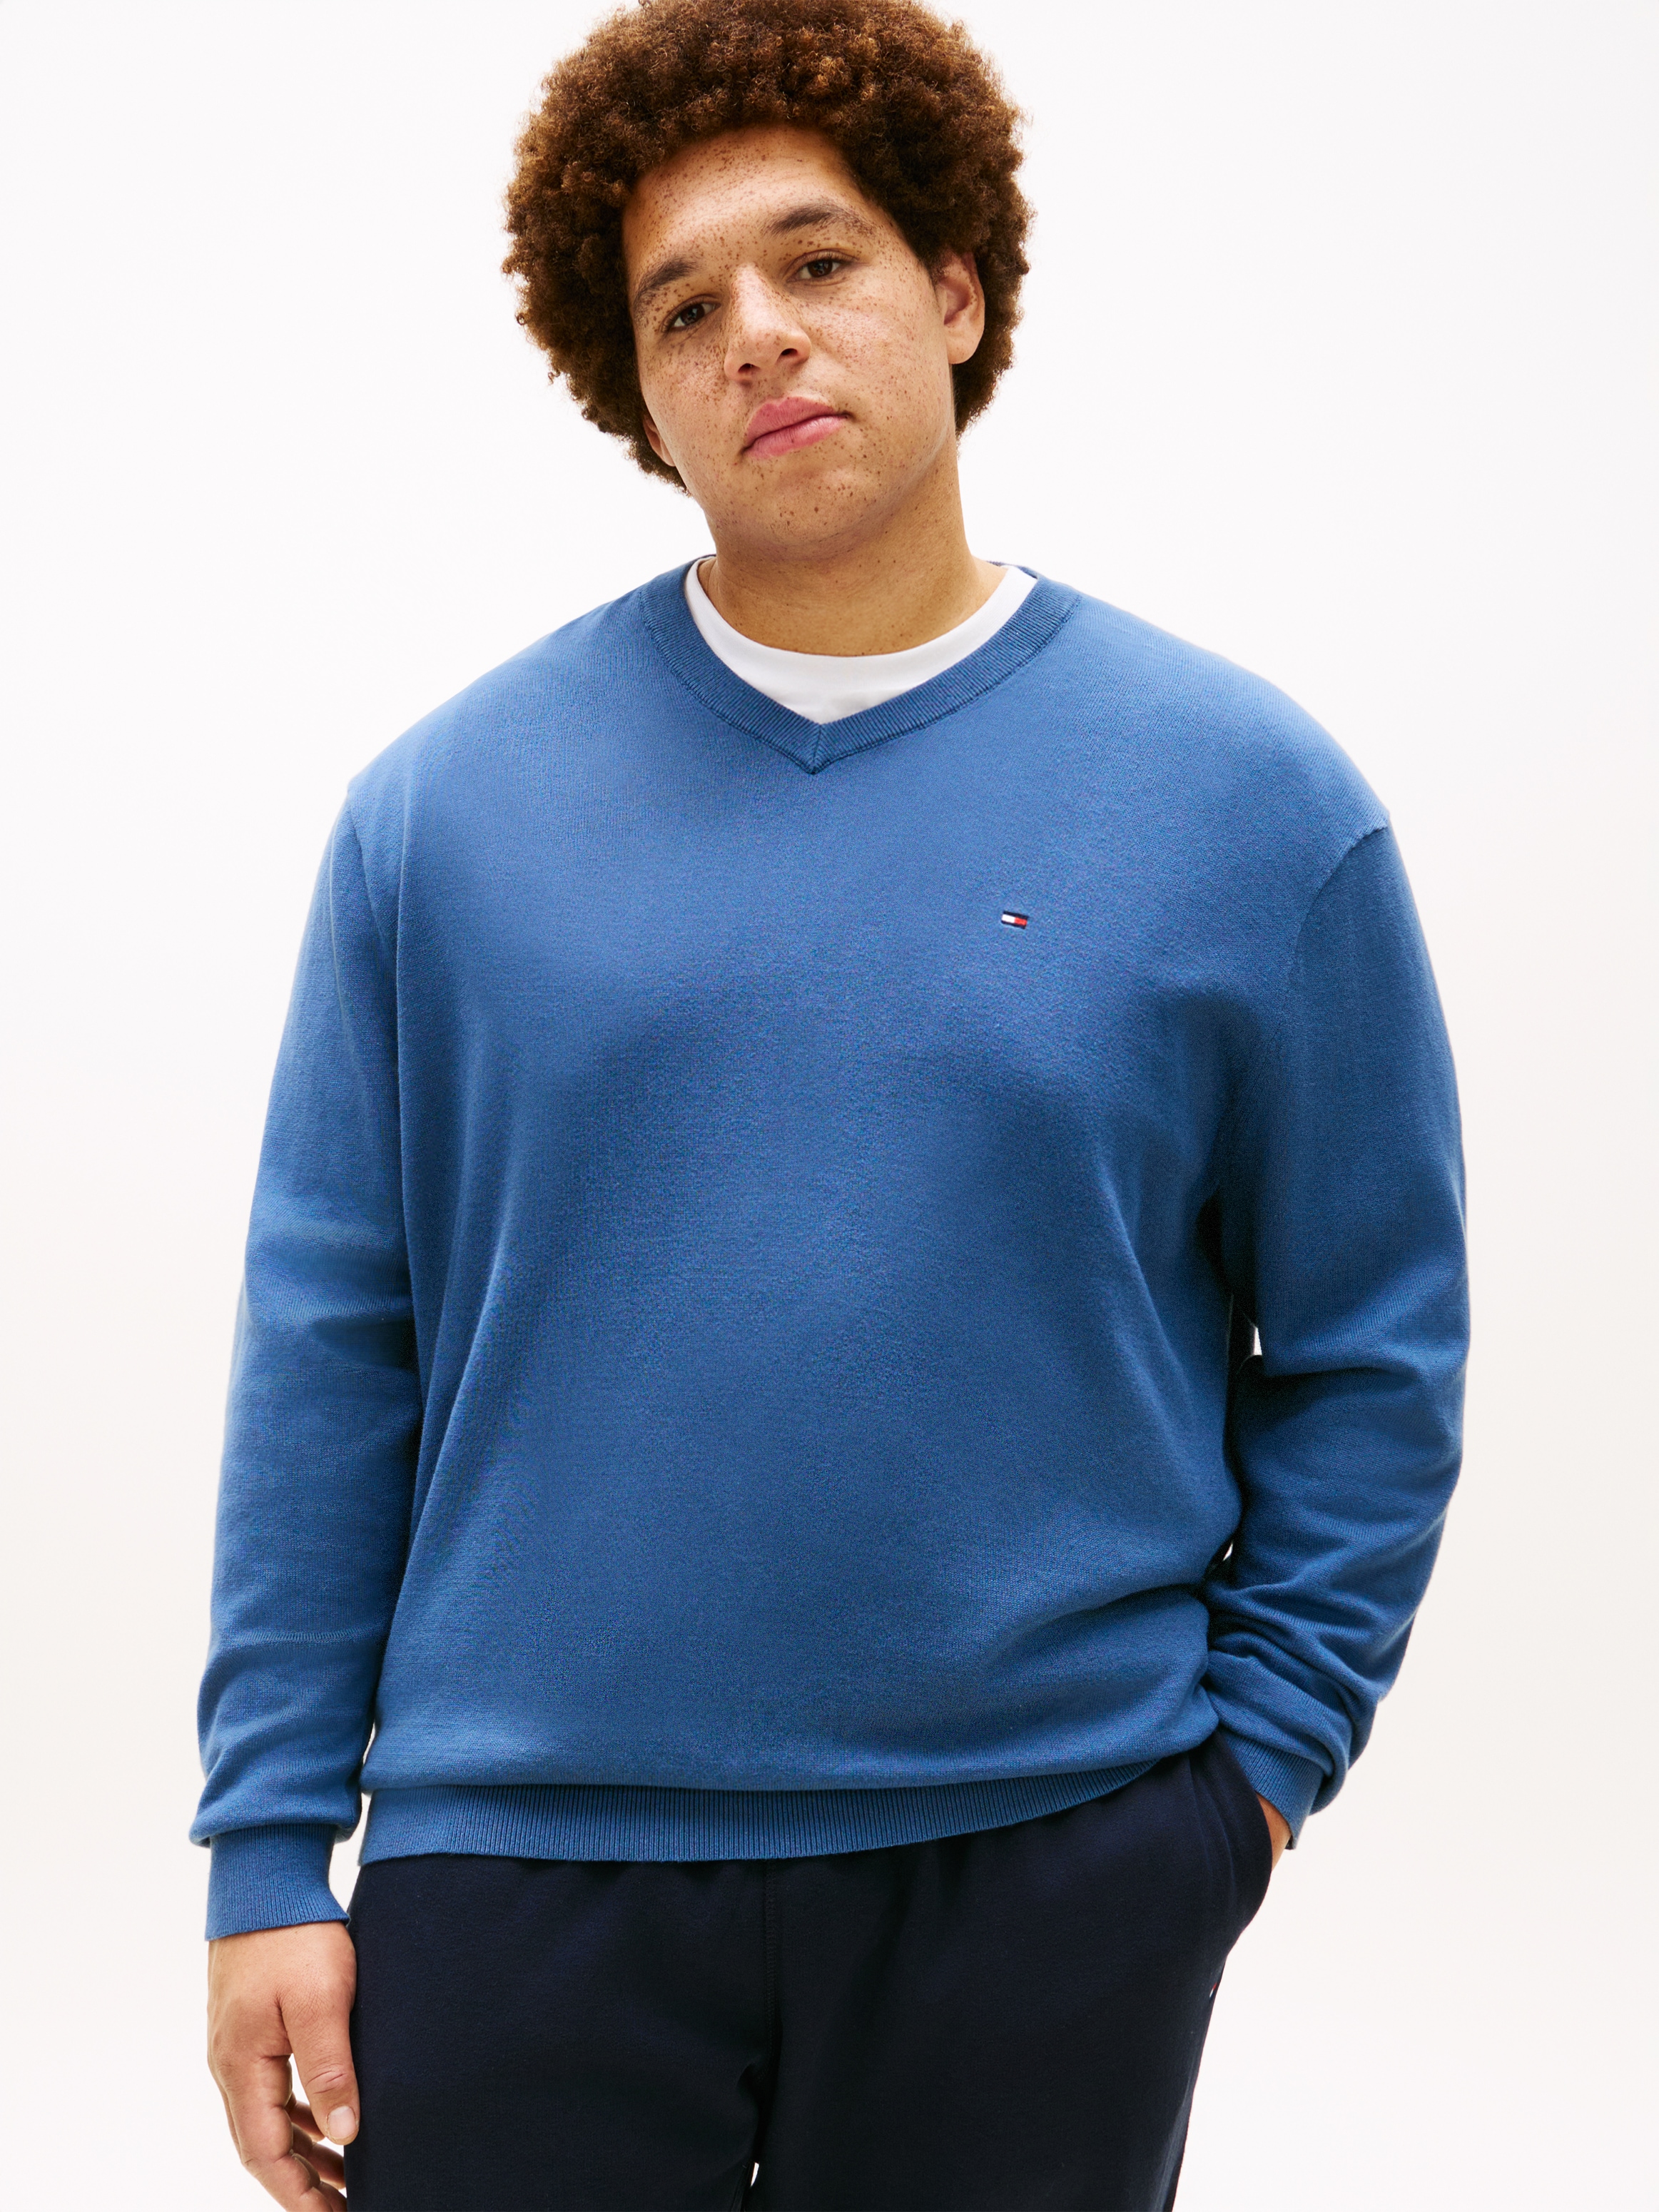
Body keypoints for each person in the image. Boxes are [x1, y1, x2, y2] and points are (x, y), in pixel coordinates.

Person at [193, 2, 1470, 2206]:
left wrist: (1246, 1779)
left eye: (818, 260)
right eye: (683, 307)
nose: (757, 335)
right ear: (636, 389)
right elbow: (334, 1348)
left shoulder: (1252, 807)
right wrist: (265, 1844)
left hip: (1048, 1858)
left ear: (954, 291)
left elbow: (1371, 1343)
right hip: (520, 1865)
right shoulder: (441, 823)